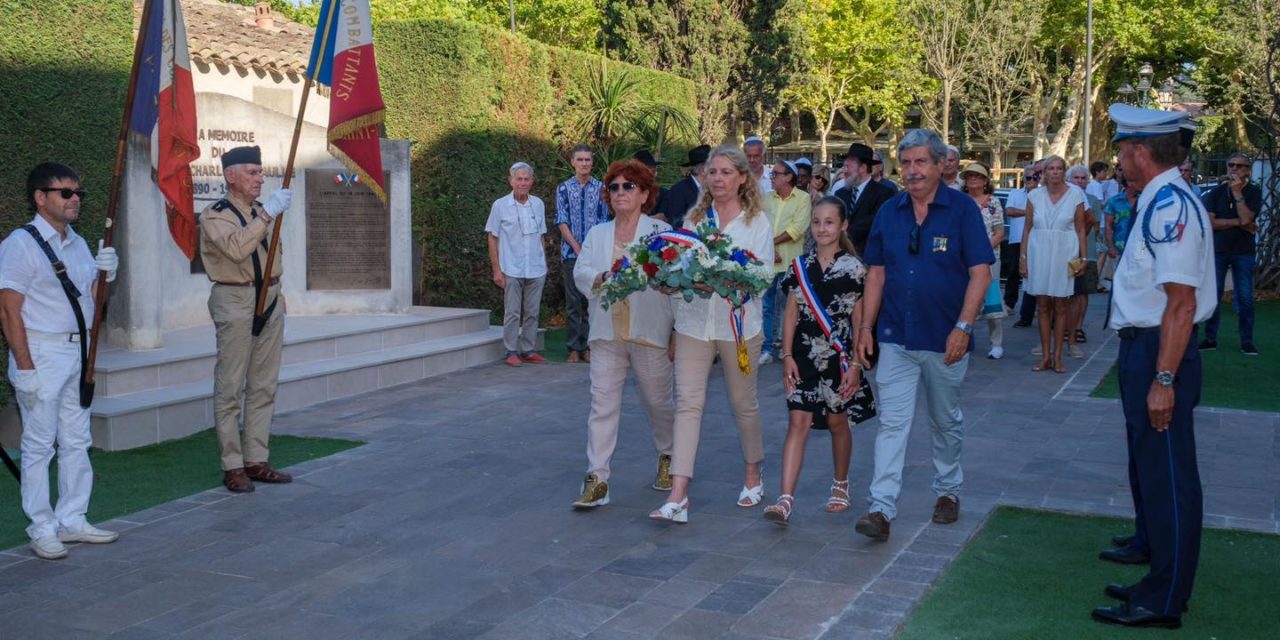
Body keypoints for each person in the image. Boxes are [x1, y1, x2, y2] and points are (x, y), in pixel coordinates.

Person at [1091, 103, 1214, 631]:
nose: (1119, 158)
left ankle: (1165, 598)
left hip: (1159, 353)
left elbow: (1182, 304)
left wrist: (1163, 379)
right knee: (1154, 467)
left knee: (1168, 475)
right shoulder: (1161, 199)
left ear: (1141, 152)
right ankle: (1158, 575)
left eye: (1122, 149)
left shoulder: (1171, 207)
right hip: (1145, 348)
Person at [852, 129, 995, 542]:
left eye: (920, 162)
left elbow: (980, 272)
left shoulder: (962, 210)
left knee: (944, 420)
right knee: (892, 424)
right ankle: (881, 508)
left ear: (938, 165)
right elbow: (875, 272)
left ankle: (948, 491)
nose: (912, 171)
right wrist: (866, 327)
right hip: (896, 336)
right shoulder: (889, 211)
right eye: (907, 163)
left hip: (945, 338)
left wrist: (964, 328)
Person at [0, 162, 120, 559]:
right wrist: (26, 367)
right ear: (40, 197)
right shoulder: (21, 243)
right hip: (42, 351)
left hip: (77, 350)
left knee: (76, 439)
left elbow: (88, 300)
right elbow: (8, 311)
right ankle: (42, 526)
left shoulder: (80, 243)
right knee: (38, 445)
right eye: (65, 193)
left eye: (78, 194)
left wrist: (105, 276)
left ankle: (73, 519)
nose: (74, 200)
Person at [650, 144, 775, 524]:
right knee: (687, 404)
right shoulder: (694, 218)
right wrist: (673, 283)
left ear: (742, 178)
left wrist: (730, 282)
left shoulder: (757, 223)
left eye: (725, 172)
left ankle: (753, 474)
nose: (717, 178)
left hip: (739, 327)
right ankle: (678, 494)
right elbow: (683, 264)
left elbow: (763, 277)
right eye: (712, 172)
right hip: (693, 324)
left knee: (743, 404)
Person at [764, 197, 876, 525]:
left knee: (837, 422)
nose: (822, 228)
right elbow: (790, 314)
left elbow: (859, 322)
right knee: (797, 422)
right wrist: (786, 355)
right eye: (816, 222)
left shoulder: (856, 269)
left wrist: (856, 365)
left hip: (839, 358)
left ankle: (841, 485)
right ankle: (785, 498)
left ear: (842, 226)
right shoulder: (800, 266)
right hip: (803, 355)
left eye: (829, 222)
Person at [571, 159, 677, 507]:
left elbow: (674, 282)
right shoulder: (597, 234)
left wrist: (676, 332)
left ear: (645, 193)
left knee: (658, 403)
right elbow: (581, 271)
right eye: (614, 187)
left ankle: (668, 455)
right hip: (607, 334)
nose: (620, 192)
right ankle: (596, 478)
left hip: (649, 333)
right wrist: (599, 278)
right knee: (601, 405)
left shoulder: (659, 235)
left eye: (628, 186)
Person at [198, 146, 296, 493]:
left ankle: (256, 458)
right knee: (230, 387)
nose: (260, 178)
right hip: (235, 298)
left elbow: (272, 255)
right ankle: (232, 464)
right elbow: (238, 249)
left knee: (264, 384)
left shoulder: (259, 211)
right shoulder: (216, 215)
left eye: (260, 171)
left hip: (269, 297)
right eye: (252, 172)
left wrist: (278, 295)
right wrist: (268, 213)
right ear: (230, 176)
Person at [1021, 156, 1086, 373]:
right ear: (1044, 172)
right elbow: (1027, 228)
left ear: (1064, 172)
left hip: (1065, 252)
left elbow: (1080, 229)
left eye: (1059, 168)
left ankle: (1059, 357)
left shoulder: (1076, 194)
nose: (1055, 172)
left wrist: (1083, 258)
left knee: (1061, 305)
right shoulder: (1034, 196)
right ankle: (1045, 356)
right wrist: (1023, 259)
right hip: (1038, 252)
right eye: (1051, 168)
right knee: (1042, 305)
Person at [486, 162, 548, 367]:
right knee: (512, 312)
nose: (522, 182)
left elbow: (541, 236)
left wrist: (544, 263)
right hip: (511, 267)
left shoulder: (538, 204)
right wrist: (497, 270)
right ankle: (510, 350)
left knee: (533, 311)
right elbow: (492, 237)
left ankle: (528, 349)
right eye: (518, 179)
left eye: (526, 179)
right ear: (510, 181)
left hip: (536, 268)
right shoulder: (500, 205)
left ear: (532, 181)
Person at [1199, 152, 1261, 355]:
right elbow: (1211, 223)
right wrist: (1242, 224)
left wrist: (1237, 194)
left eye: (1239, 166)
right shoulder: (1215, 193)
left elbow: (1247, 218)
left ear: (1247, 171)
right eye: (1230, 164)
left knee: (1245, 297)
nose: (1233, 168)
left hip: (1243, 252)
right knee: (1213, 295)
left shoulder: (1253, 192)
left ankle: (1247, 340)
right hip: (1218, 250)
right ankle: (1210, 338)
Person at [554, 145, 608, 364]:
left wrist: (593, 249)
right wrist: (577, 247)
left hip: (596, 255)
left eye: (587, 160)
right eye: (580, 159)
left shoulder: (602, 188)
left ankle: (589, 347)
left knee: (592, 301)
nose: (584, 163)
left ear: (592, 162)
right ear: (572, 162)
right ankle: (574, 348)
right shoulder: (563, 189)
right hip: (571, 253)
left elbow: (604, 221)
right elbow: (561, 220)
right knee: (573, 302)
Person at [760, 161, 811, 365]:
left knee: (791, 306)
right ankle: (766, 349)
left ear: (789, 177)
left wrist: (771, 245)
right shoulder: (767, 198)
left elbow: (797, 229)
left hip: (791, 261)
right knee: (766, 305)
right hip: (768, 261)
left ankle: (788, 348)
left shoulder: (803, 198)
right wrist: (769, 249)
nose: (771, 178)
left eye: (775, 174)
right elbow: (760, 225)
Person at [961, 162, 1007, 359]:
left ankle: (996, 343)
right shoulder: (960, 201)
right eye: (970, 176)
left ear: (985, 180)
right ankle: (963, 340)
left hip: (989, 258)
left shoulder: (993, 202)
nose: (973, 179)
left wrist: (981, 250)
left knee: (992, 298)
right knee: (964, 300)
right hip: (963, 259)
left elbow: (1000, 232)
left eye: (977, 176)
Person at [834, 143, 895, 256]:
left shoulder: (884, 193)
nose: (844, 171)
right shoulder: (840, 194)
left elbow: (875, 223)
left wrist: (842, 233)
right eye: (844, 166)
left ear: (862, 168)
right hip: (840, 258)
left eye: (849, 166)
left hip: (869, 259)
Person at [1067, 164, 1102, 353]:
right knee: (1066, 292)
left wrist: (1079, 239)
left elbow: (1093, 223)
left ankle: (1078, 327)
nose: (1080, 181)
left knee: (1083, 292)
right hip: (1067, 254)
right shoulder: (1065, 196)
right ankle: (1066, 327)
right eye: (1076, 178)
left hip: (1087, 253)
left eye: (1083, 178)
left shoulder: (1093, 200)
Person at [1005, 164, 1038, 327]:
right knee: (1013, 272)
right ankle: (1009, 304)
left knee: (1033, 275)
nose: (1031, 180)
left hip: (1035, 240)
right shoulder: (1015, 193)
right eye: (1028, 177)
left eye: (1034, 177)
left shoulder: (1041, 195)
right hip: (1017, 239)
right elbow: (1009, 210)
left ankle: (1031, 310)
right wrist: (1029, 212)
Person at [656, 144, 710, 229]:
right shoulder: (679, 190)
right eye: (713, 169)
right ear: (704, 170)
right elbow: (675, 223)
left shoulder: (710, 190)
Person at [1103, 169, 1138, 263]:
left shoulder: (1145, 199)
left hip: (1139, 248)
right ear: (1128, 182)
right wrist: (1111, 247)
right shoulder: (1114, 201)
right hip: (1119, 248)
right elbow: (1108, 226)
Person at [632, 149, 668, 214]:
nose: (653, 175)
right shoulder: (625, 191)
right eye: (648, 172)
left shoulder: (664, 194)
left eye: (654, 171)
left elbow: (662, 217)